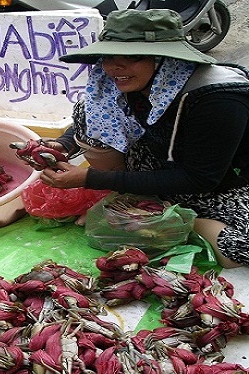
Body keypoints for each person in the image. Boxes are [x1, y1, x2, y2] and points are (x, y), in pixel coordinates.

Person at [39, 9, 249, 268]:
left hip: (222, 182)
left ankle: (182, 219)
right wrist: (64, 144)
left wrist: (89, 179)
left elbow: (201, 178)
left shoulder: (217, 99)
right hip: (163, 159)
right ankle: (137, 201)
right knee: (87, 107)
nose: (115, 67)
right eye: (109, 57)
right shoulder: (129, 81)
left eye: (132, 57)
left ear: (165, 59)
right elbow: (97, 118)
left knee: (238, 250)